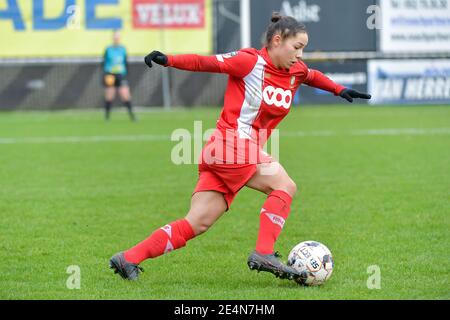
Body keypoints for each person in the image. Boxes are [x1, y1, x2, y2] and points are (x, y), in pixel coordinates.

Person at [109, 13, 371, 281]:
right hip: (231, 145)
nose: (300, 54)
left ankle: (128, 258)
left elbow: (312, 76)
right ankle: (263, 253)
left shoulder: (295, 71)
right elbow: (205, 62)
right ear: (277, 40)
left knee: (197, 222)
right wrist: (169, 60)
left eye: (304, 48)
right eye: (297, 47)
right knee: (285, 186)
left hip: (227, 153)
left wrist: (339, 90)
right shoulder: (250, 61)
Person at [102, 31, 136, 122]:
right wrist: (105, 75)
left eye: (118, 37)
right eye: (115, 37)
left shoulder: (123, 49)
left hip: (121, 75)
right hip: (110, 75)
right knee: (109, 96)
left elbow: (126, 62)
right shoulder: (108, 49)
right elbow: (104, 63)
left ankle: (132, 116)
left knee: (125, 95)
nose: (116, 39)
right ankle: (107, 117)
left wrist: (126, 74)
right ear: (112, 38)